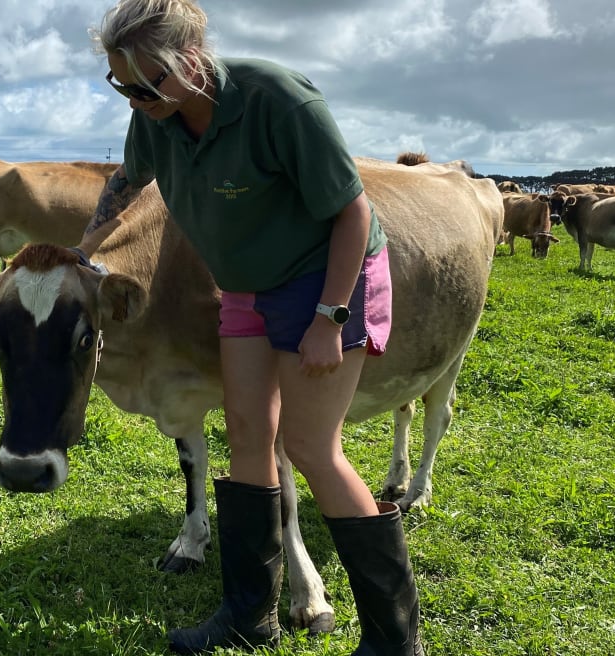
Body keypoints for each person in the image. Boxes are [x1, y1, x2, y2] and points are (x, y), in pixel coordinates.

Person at [78, 1, 424, 654]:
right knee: (246, 435)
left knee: (310, 446)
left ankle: (394, 641)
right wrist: (84, 250)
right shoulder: (154, 114)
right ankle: (248, 615)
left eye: (148, 82)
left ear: (192, 59)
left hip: (324, 279)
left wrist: (329, 318)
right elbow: (129, 179)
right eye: (120, 84)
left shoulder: (278, 102)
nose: (136, 97)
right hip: (242, 285)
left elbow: (353, 213)